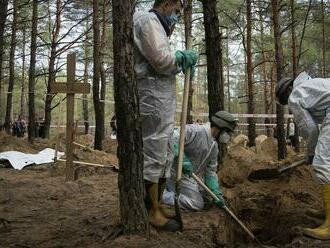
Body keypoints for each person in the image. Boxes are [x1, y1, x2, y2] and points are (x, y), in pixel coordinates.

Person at [133, 0, 199, 231]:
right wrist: (181, 58)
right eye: (177, 11)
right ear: (167, 3)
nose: (177, 17)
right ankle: (151, 210)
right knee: (154, 150)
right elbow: (161, 60)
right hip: (152, 98)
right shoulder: (148, 20)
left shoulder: (158, 25)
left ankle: (157, 204)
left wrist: (180, 60)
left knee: (163, 151)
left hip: (160, 97)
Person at [276, 71, 330, 240]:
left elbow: (309, 128)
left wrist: (312, 153)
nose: (289, 104)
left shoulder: (296, 95)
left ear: (287, 92)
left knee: (322, 164)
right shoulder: (313, 85)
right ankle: (327, 209)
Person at [162, 111, 237, 211]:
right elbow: (173, 138)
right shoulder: (195, 130)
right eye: (227, 132)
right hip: (176, 174)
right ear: (220, 128)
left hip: (191, 176)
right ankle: (163, 195)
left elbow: (210, 171)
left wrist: (215, 191)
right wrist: (182, 159)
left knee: (208, 198)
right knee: (196, 203)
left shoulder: (214, 147)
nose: (228, 136)